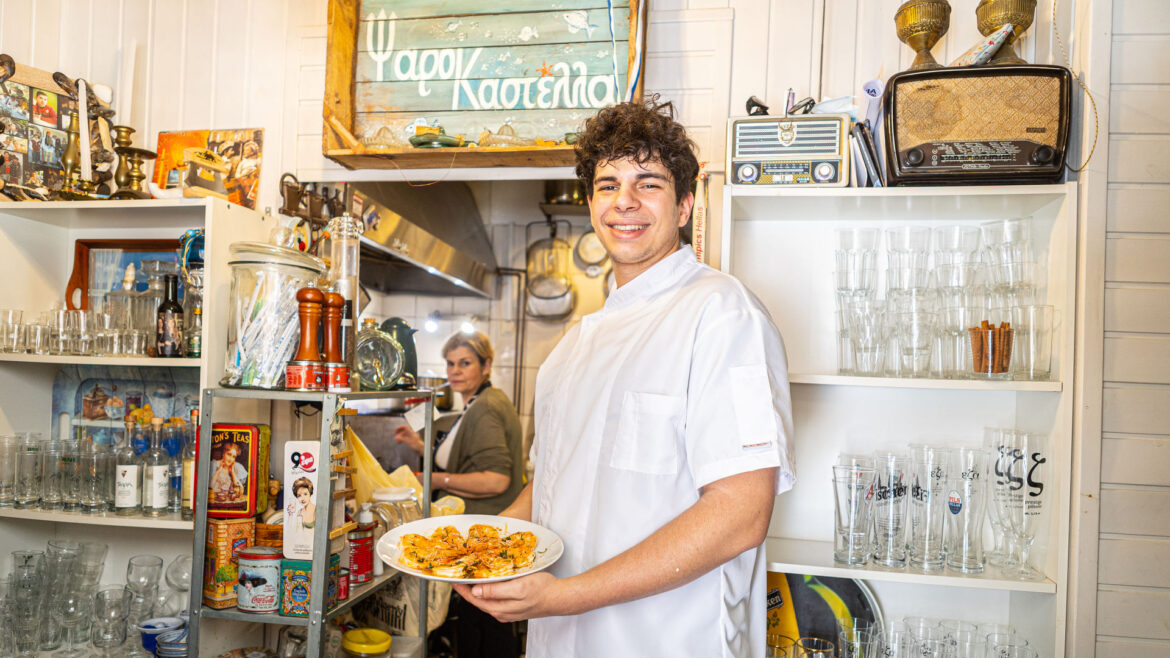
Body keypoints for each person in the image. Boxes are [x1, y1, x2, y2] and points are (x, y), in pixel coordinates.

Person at [453, 97, 795, 657]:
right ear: (591, 205)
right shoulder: (571, 349)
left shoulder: (723, 314)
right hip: (558, 641)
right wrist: (475, 551)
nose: (625, 202)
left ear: (685, 206)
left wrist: (563, 596)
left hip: (668, 642)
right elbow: (555, 485)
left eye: (649, 183)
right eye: (608, 184)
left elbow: (741, 513)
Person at [394, 330, 525, 657]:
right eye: (450, 363)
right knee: (480, 617)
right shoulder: (479, 402)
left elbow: (495, 479)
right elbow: (468, 459)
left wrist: (436, 480)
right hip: (483, 532)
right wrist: (421, 447)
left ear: (486, 365)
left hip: (486, 532)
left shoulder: (485, 408)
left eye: (465, 363)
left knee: (485, 623)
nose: (454, 370)